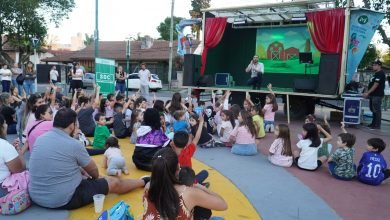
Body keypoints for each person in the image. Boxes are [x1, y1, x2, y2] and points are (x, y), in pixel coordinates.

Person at [28, 108, 146, 209]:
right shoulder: (73, 144)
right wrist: (97, 180)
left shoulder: (41, 139)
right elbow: (94, 171)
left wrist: (80, 170)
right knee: (113, 182)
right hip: (62, 200)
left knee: (83, 172)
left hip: (36, 196)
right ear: (71, 125)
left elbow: (54, 163)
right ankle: (144, 181)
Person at [142, 148, 227, 219]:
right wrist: (201, 187)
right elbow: (223, 205)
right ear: (178, 167)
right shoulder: (188, 193)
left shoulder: (148, 186)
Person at [0, 114, 25, 198]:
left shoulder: (5, 146)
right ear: (2, 127)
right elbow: (20, 170)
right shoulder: (4, 145)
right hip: (3, 190)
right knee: (27, 176)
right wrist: (18, 152)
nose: (6, 125)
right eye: (5, 123)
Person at [363, 60, 386, 129]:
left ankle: (377, 125)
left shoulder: (380, 73)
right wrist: (366, 91)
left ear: (379, 66)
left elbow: (376, 85)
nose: (373, 66)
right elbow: (370, 84)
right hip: (373, 95)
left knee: (376, 110)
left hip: (377, 95)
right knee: (372, 109)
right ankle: (373, 123)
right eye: (373, 65)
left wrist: (368, 93)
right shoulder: (375, 73)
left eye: (374, 65)